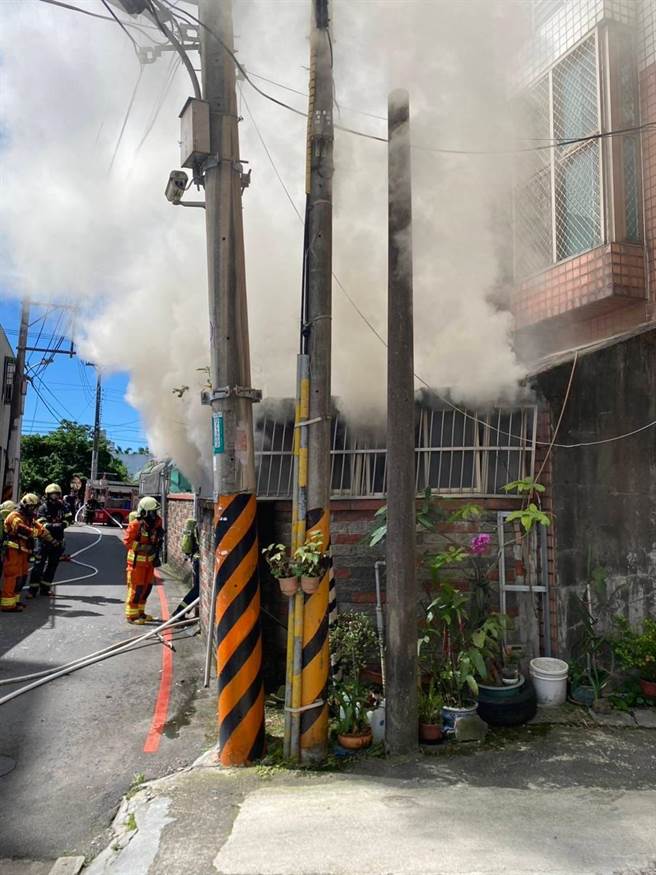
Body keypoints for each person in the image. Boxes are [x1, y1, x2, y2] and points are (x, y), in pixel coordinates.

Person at [1, 494, 60, 612]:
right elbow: (20, 528)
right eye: (32, 507)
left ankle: (15, 601)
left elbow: (41, 529)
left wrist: (53, 540)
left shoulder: (29, 518)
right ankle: (7, 605)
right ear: (25, 505)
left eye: (35, 507)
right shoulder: (15, 516)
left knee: (21, 577)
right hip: (13, 550)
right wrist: (35, 532)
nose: (33, 510)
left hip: (23, 552)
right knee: (12, 576)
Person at [123, 496, 164, 625]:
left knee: (146, 589)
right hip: (137, 564)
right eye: (152, 512)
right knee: (137, 589)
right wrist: (146, 547)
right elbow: (128, 542)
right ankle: (132, 616)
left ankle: (141, 612)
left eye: (155, 511)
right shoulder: (135, 524)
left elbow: (156, 540)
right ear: (144, 512)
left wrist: (157, 546)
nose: (155, 515)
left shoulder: (157, 524)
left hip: (149, 563)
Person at [29, 483, 71, 598]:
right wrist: (56, 525)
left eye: (56, 494)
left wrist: (63, 524)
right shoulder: (43, 507)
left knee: (52, 567)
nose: (54, 497)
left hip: (57, 541)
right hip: (43, 542)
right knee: (38, 566)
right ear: (47, 495)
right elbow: (41, 523)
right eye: (52, 494)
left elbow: (69, 519)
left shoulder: (62, 507)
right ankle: (32, 590)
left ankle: (45, 589)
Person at [172, 517, 200, 618]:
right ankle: (179, 612)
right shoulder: (199, 527)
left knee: (196, 589)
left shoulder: (195, 526)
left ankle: (180, 612)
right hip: (199, 561)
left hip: (195, 559)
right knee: (197, 590)